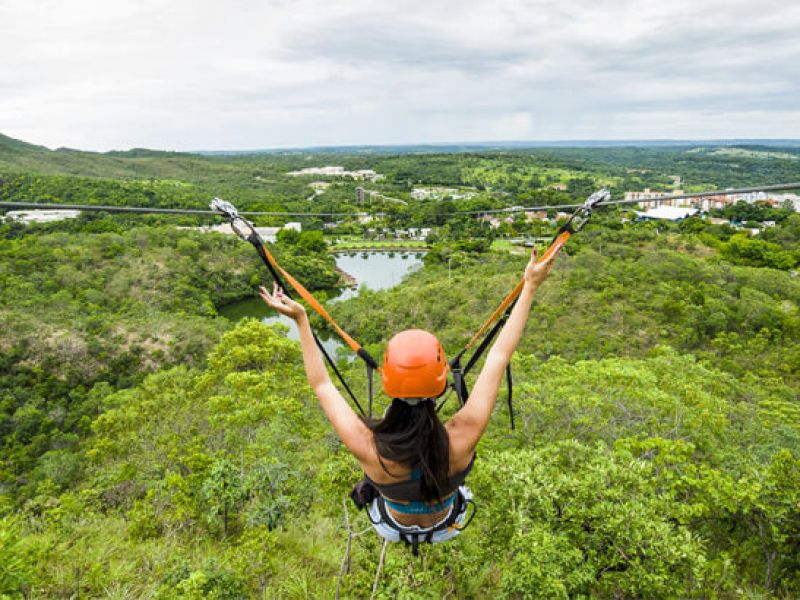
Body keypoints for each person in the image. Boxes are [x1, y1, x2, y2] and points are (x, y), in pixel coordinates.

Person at [258, 243, 563, 548]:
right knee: (452, 493)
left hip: (391, 526)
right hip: (447, 525)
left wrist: (301, 319)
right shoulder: (462, 437)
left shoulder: (370, 447)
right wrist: (531, 286)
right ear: (441, 383)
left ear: (388, 382)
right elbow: (498, 355)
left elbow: (322, 384)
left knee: (378, 487)